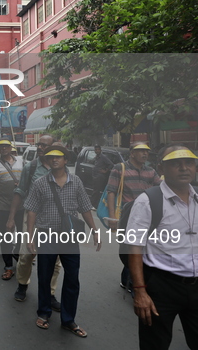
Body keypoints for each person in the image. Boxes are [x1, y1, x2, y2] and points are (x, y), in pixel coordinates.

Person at [126, 145, 198, 350]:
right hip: (161, 286)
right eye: (175, 164)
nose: (184, 168)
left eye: (189, 163)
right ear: (162, 168)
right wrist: (140, 292)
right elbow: (134, 246)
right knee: (155, 345)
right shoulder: (148, 201)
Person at [25, 146, 100, 338]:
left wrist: (95, 230)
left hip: (69, 237)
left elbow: (85, 208)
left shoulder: (76, 182)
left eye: (58, 157)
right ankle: (44, 312)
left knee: (72, 278)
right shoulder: (40, 183)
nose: (54, 160)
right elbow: (31, 210)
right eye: (51, 158)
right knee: (44, 275)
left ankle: (68, 320)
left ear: (66, 160)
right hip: (46, 235)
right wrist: (30, 236)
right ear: (48, 161)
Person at [8, 135, 62, 309]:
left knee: (55, 262)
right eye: (39, 144)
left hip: (55, 221)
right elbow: (20, 191)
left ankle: (50, 293)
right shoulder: (31, 167)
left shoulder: (61, 168)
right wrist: (11, 217)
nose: (40, 147)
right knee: (26, 255)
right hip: (32, 217)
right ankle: (22, 285)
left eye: (44, 145)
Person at [107, 142, 160, 291]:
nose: (145, 154)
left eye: (146, 151)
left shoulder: (151, 171)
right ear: (132, 153)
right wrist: (112, 218)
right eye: (141, 151)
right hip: (128, 216)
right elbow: (111, 191)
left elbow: (161, 186)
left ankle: (128, 279)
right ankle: (131, 283)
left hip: (147, 215)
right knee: (130, 247)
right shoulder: (120, 168)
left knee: (142, 248)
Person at [0, 139, 23, 280]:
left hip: (21, 206)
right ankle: (8, 266)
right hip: (3, 206)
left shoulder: (21, 162)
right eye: (1, 147)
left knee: (22, 234)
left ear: (11, 147)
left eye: (6, 146)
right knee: (6, 236)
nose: (4, 149)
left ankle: (17, 252)